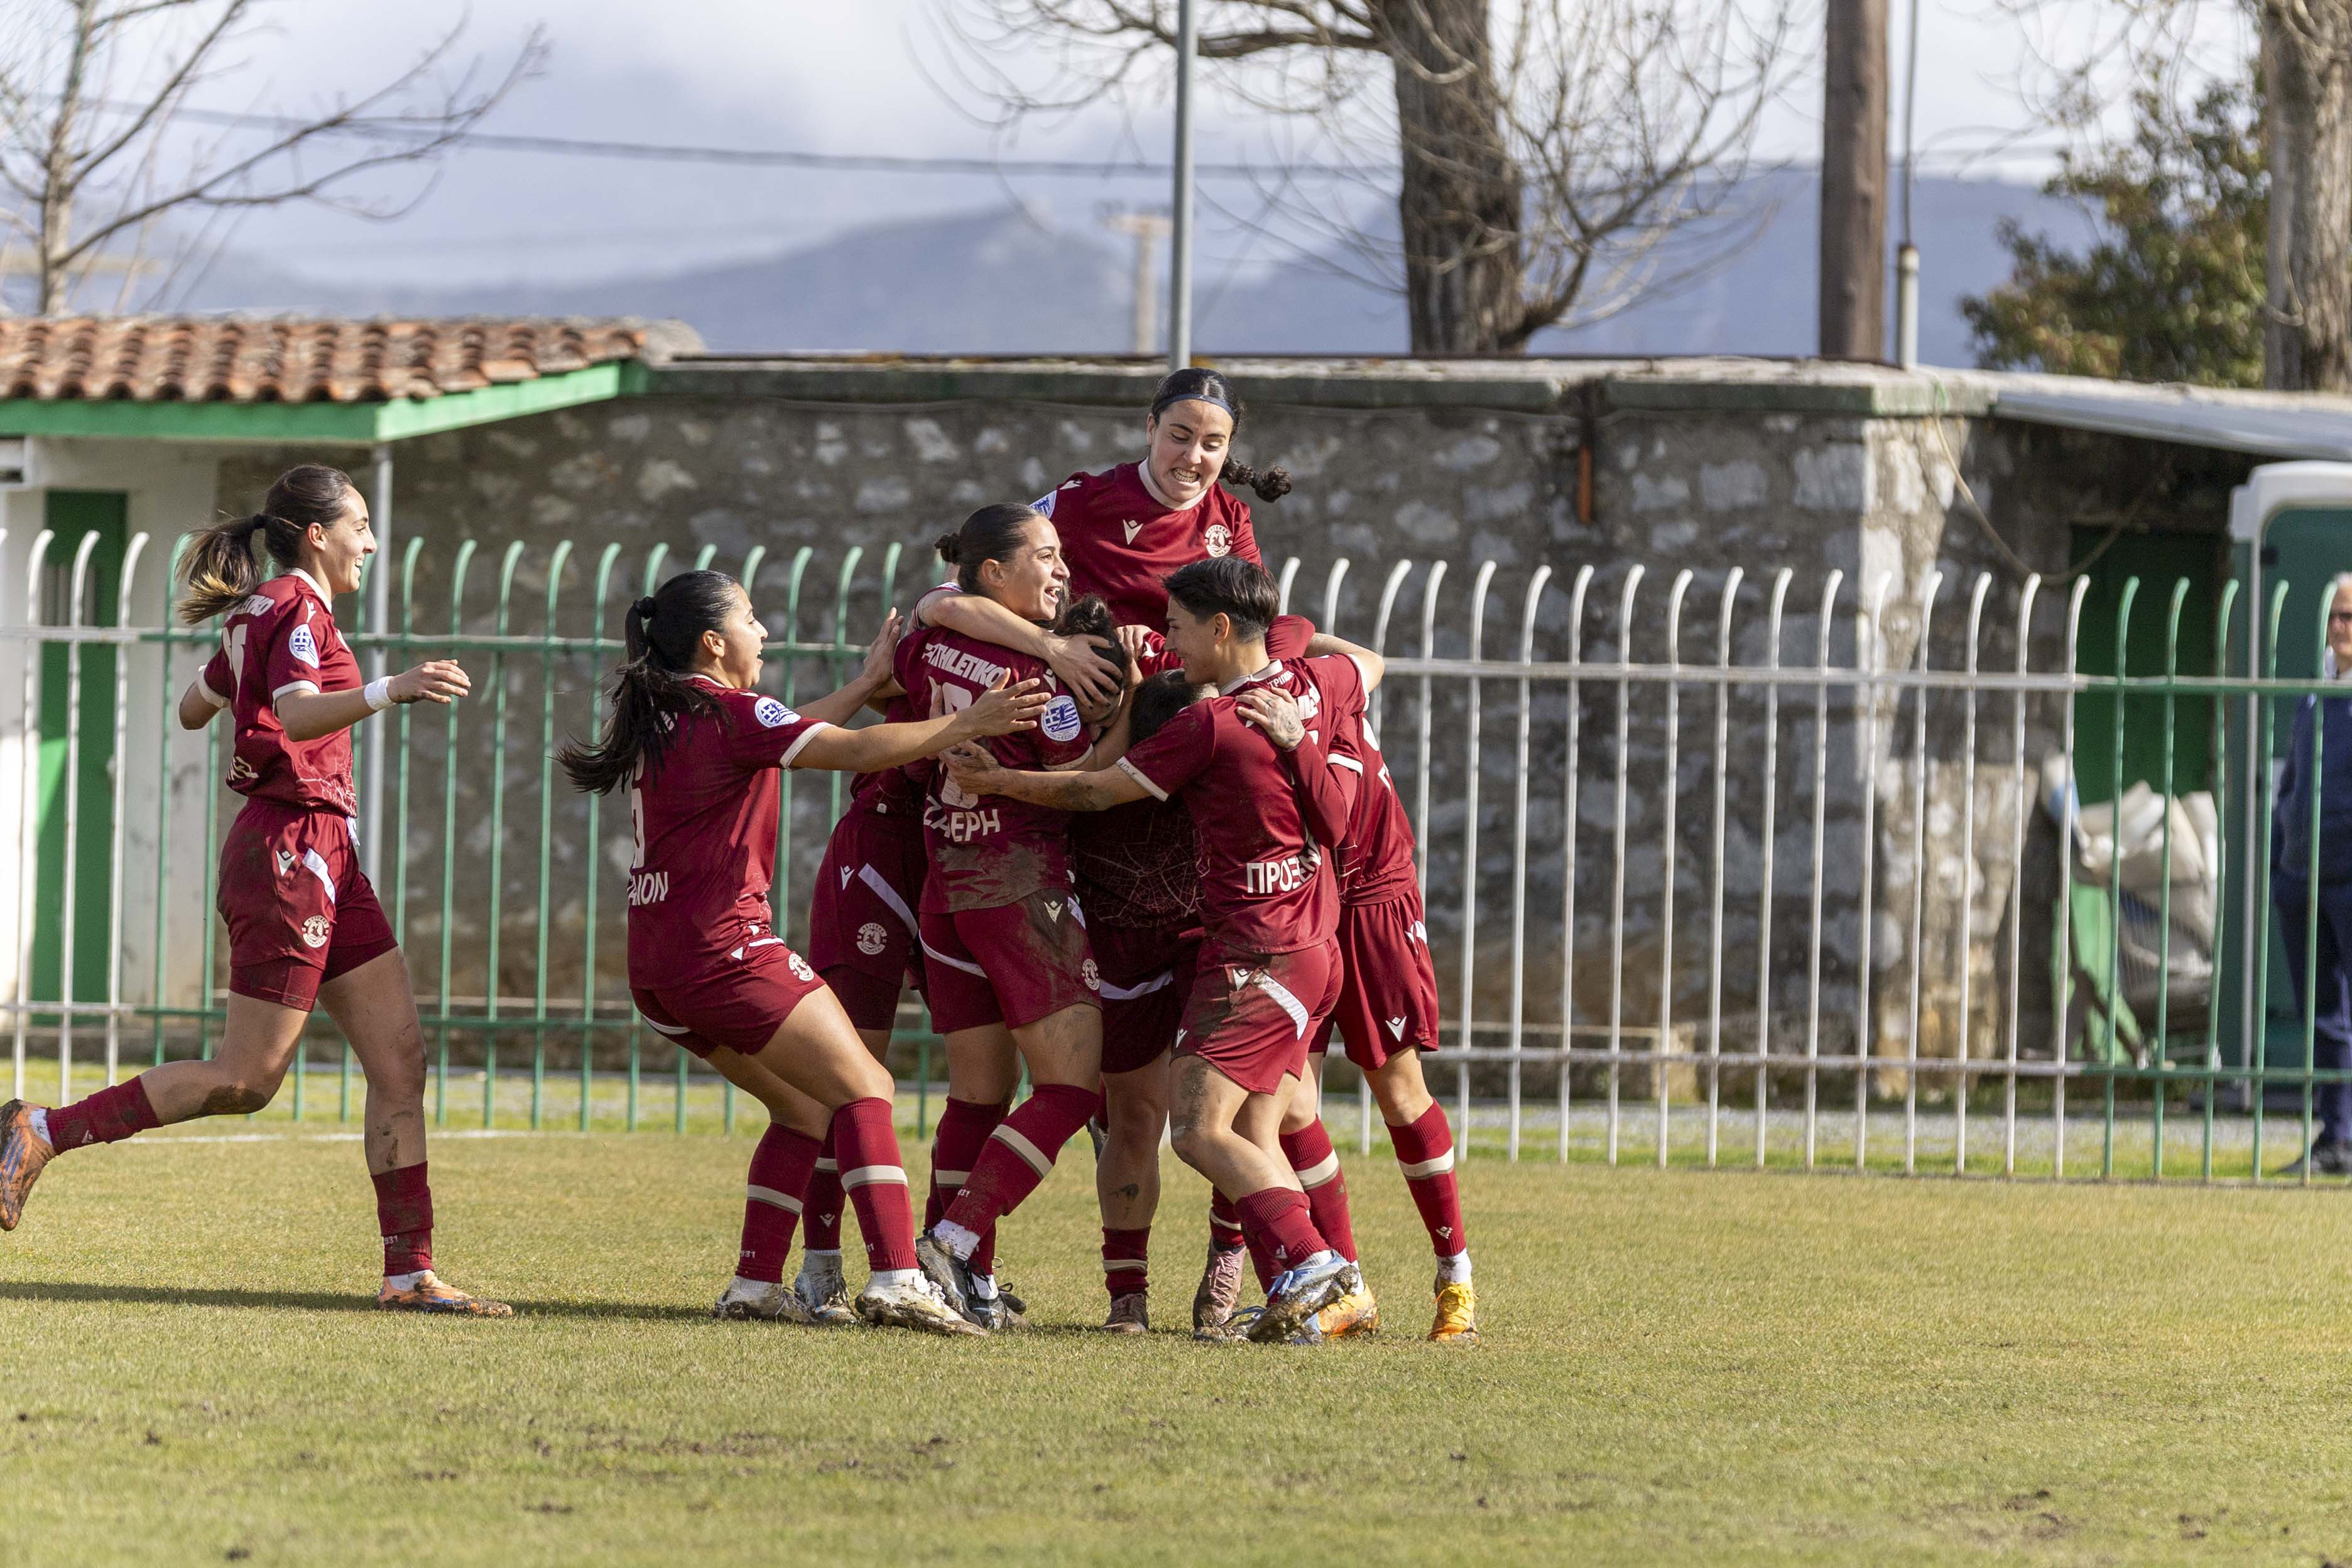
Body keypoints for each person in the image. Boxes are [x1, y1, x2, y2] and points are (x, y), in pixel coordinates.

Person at [0, 466, 508, 1313]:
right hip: (290, 849)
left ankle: (408, 1273)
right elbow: (302, 710)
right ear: (317, 534)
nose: (371, 543)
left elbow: (193, 709)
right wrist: (391, 688)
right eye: (361, 526)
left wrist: (246, 682)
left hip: (324, 852)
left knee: (400, 1062)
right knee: (248, 1077)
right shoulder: (295, 610)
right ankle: (41, 1130)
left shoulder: (260, 615)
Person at [558, 567, 1048, 1336]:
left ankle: (755, 1285)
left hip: (657, 964)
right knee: (867, 1086)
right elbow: (852, 751)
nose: (765, 633)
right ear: (715, 642)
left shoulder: (676, 717)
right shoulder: (731, 712)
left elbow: (800, 728)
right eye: (752, 619)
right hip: (725, 950)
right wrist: (964, 724)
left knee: (805, 1107)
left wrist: (861, 684)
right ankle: (897, 1276)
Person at [943, 557, 1375, 1344]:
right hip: (1301, 946)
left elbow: (1097, 790)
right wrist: (1304, 745)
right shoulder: (1309, 687)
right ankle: (1298, 1279)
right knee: (1225, 1123)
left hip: (1262, 952)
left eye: (1176, 624)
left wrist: (1001, 782)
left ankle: (1318, 1270)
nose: (1164, 637)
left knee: (1205, 1130)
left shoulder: (1209, 726)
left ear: (1218, 628)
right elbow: (1360, 693)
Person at [901, 504, 1111, 1330]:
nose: (1062, 572)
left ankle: (961, 1283)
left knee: (975, 1099)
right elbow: (1082, 784)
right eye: (1047, 556)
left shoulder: (927, 639)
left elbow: (931, 609)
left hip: (945, 888)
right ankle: (956, 1238)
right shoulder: (1044, 681)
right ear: (995, 572)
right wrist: (1118, 729)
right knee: (1070, 1085)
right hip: (1018, 889)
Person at [787, 626, 938, 1323]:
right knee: (848, 1077)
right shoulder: (942, 625)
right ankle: (821, 1265)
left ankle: (956, 1263)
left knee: (989, 1079)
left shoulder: (1043, 642)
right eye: (1045, 554)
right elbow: (883, 690)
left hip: (967, 864)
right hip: (878, 855)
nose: (1058, 569)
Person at [2271, 572, 2352, 1177]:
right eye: (2336, 617)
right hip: (2305, 875)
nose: (2342, 628)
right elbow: (2292, 780)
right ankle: (2337, 1135)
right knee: (2323, 1012)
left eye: (2351, 617)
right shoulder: (2313, 692)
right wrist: (2283, 860)